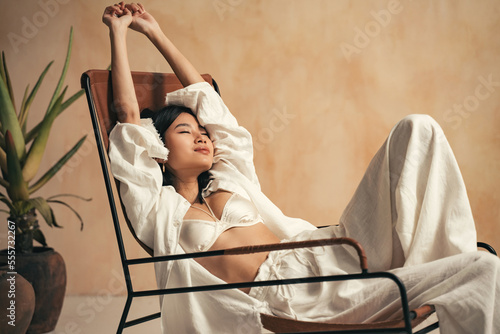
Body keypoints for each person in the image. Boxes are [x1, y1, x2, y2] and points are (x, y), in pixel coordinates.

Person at [103, 3, 500, 333]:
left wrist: (156, 34)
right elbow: (126, 117)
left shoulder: (230, 179)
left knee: (418, 128)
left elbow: (214, 107)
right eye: (186, 131)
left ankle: (425, 264)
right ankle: (433, 272)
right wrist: (119, 32)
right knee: (483, 267)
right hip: (290, 297)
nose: (203, 137)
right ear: (157, 148)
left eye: (203, 131)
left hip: (327, 254)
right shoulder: (158, 212)